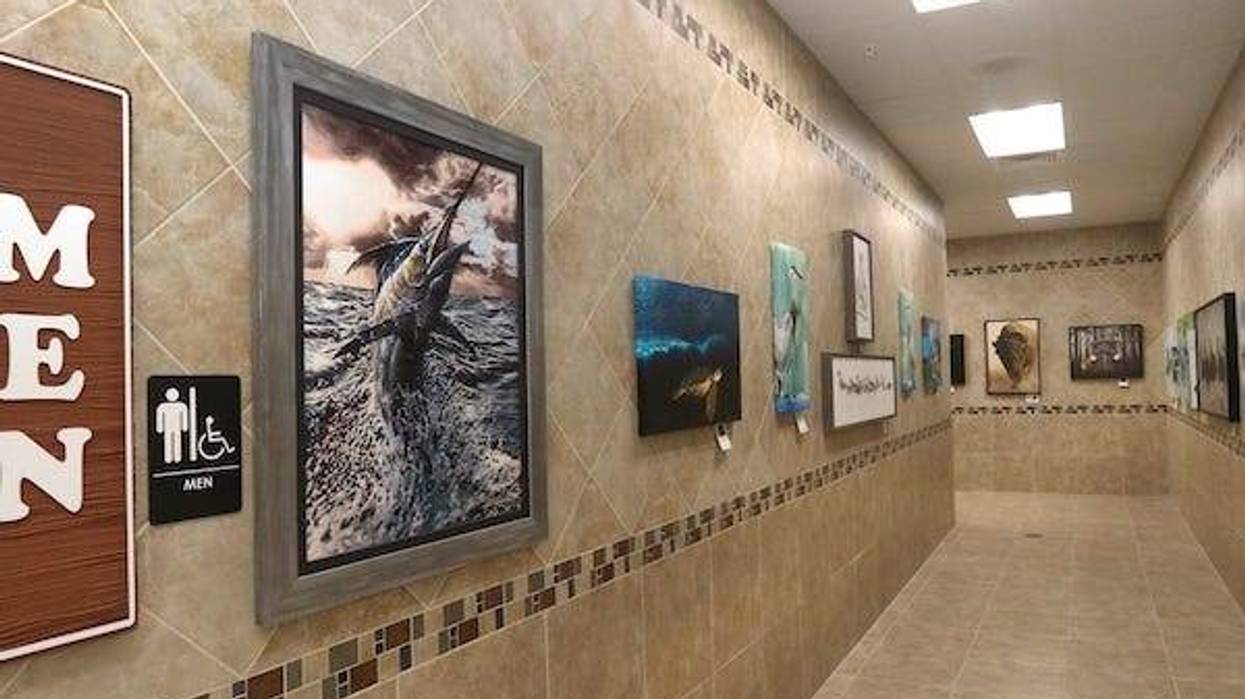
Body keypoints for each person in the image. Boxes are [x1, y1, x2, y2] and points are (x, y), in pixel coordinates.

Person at [154, 387, 189, 464]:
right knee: (168, 441)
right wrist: (159, 428)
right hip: (168, 428)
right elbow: (159, 417)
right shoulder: (162, 407)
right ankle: (168, 458)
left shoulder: (182, 406)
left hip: (176, 427)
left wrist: (184, 427)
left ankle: (177, 458)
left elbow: (184, 417)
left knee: (177, 441)